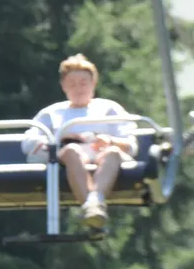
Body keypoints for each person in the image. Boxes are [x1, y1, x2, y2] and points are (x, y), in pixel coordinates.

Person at [21, 53, 137, 229]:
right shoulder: (52, 113)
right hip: (67, 158)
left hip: (103, 156)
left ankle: (92, 204)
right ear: (63, 87)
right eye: (72, 84)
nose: (78, 89)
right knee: (72, 151)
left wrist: (110, 141)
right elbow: (28, 142)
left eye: (83, 83)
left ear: (93, 84)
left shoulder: (109, 109)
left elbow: (131, 144)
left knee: (112, 153)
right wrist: (60, 139)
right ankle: (94, 208)